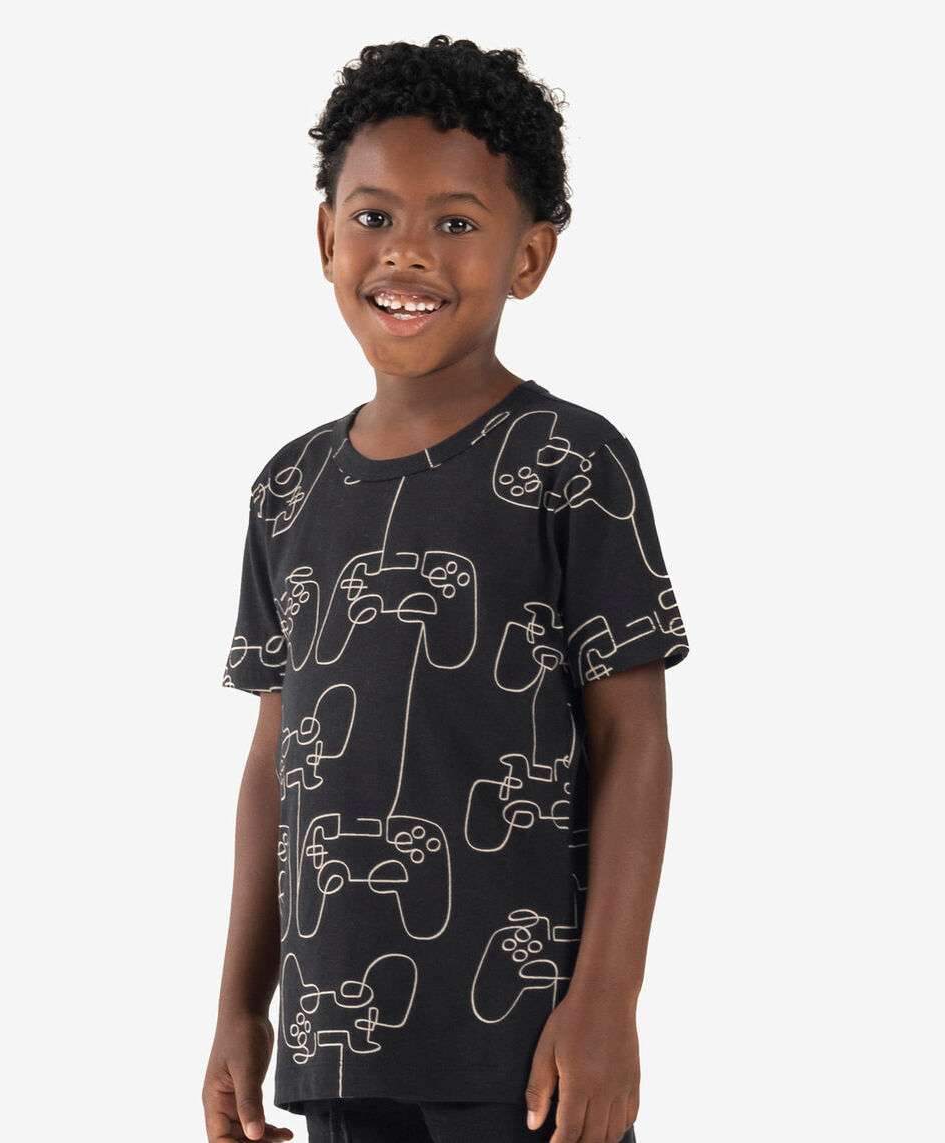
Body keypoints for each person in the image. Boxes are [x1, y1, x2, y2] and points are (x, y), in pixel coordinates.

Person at [203, 34, 690, 1143]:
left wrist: (608, 1003)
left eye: (457, 224)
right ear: (326, 237)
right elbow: (276, 762)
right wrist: (239, 1005)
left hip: (524, 1043)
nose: (407, 253)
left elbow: (636, 744)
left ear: (530, 256)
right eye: (374, 216)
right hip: (335, 1036)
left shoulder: (571, 462)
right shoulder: (288, 489)